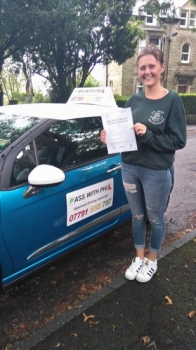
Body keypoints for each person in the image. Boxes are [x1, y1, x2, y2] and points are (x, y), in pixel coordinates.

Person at [100, 44, 186, 283]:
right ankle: (138, 256)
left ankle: (152, 259)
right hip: (129, 166)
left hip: (156, 170)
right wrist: (110, 137)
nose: (146, 71)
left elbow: (178, 141)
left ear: (161, 68)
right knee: (137, 216)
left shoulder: (173, 100)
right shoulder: (133, 100)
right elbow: (123, 134)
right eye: (142, 67)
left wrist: (148, 135)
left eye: (151, 66)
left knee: (155, 217)